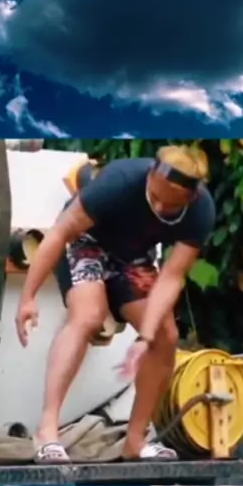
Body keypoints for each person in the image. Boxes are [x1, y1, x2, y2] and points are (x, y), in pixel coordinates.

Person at [15, 145, 216, 463]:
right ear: (150, 176)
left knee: (166, 335)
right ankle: (47, 432)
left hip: (132, 258)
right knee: (88, 316)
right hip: (85, 242)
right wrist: (28, 297)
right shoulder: (120, 180)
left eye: (169, 205)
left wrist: (145, 337)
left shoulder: (201, 210)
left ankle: (135, 440)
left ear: (190, 198)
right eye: (155, 196)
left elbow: (171, 277)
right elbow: (58, 234)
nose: (159, 206)